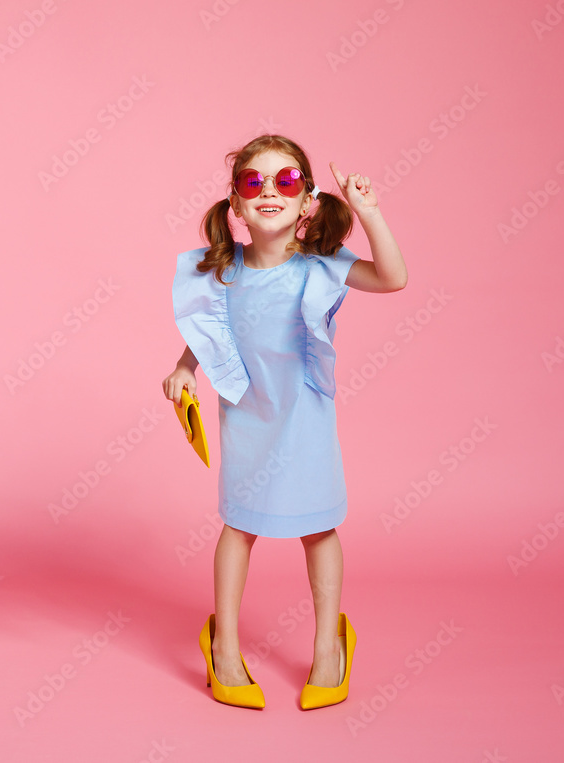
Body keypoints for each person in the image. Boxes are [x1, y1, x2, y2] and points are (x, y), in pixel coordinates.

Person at [162, 134, 407, 709]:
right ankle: (223, 643)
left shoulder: (321, 266)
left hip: (305, 415)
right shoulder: (220, 271)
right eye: (255, 181)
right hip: (248, 415)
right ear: (236, 204)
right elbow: (208, 332)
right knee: (238, 526)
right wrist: (181, 369)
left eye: (287, 180)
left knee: (318, 526)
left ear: (307, 201)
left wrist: (370, 213)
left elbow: (393, 277)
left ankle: (328, 646)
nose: (270, 190)